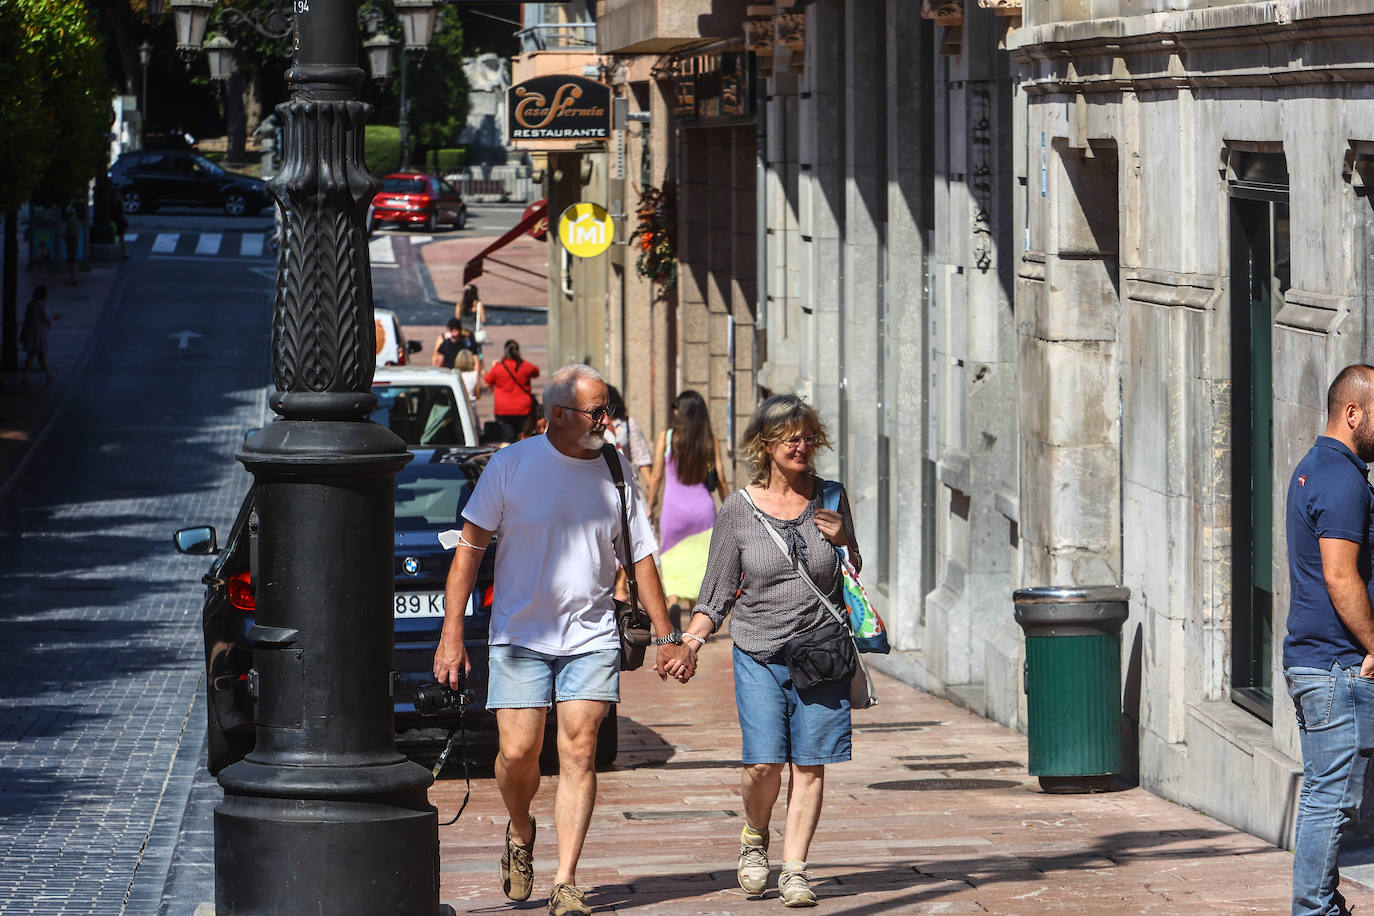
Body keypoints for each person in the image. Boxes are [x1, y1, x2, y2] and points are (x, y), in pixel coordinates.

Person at [432, 364, 694, 916]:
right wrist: (451, 633)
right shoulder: (510, 465)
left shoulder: (616, 470)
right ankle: (521, 830)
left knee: (578, 750)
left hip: (592, 635)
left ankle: (567, 880)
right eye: (597, 411)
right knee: (517, 754)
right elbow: (469, 552)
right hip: (520, 636)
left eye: (608, 409)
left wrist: (668, 633)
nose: (608, 420)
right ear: (556, 416)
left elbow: (641, 556)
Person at [680, 393, 859, 909]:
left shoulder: (831, 496)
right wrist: (689, 642)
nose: (800, 446)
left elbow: (854, 569)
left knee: (811, 763)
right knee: (765, 764)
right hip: (759, 650)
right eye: (788, 438)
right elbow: (715, 593)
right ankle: (755, 837)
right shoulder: (738, 509)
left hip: (822, 650)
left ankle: (796, 869)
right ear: (766, 445)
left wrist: (845, 539)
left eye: (806, 436)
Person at [1284, 363, 1374, 916]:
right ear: (1353, 412)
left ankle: (1321, 903)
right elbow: (1340, 576)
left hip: (1322, 665)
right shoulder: (1341, 481)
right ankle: (1313, 909)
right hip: (1334, 666)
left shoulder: (1316, 469)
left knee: (1332, 795)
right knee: (1331, 800)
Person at [647, 390, 730, 624]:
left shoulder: (667, 437)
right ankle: (697, 618)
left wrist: (650, 505)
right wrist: (732, 507)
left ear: (680, 412)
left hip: (673, 513)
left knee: (673, 563)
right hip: (703, 513)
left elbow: (656, 477)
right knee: (700, 568)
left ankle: (673, 602)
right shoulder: (708, 440)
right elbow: (721, 480)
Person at [485, 339, 540, 442]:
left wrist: (494, 366)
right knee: (523, 437)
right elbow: (536, 372)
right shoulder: (525, 366)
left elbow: (487, 380)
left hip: (503, 409)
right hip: (523, 408)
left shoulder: (498, 368)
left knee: (508, 438)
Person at [603, 385, 652, 487]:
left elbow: (641, 457)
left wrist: (651, 487)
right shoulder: (593, 426)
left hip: (627, 484)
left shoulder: (628, 424)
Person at [20, 285, 58, 387]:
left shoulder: (30, 304)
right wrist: (54, 319)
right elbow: (46, 319)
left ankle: (47, 374)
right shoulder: (41, 305)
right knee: (34, 355)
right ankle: (25, 376)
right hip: (39, 334)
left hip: (31, 332)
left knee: (38, 355)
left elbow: (27, 319)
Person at [456, 283, 487, 354]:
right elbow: (483, 319)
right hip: (474, 334)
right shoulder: (478, 304)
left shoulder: (459, 305)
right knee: (478, 355)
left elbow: (457, 318)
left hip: (462, 333)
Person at [456, 348, 483, 425]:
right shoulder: (474, 375)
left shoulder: (455, 375)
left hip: (458, 407)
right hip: (471, 406)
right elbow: (478, 395)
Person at [62, 208, 81, 285]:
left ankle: (73, 278)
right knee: (72, 261)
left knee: (73, 261)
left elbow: (74, 234)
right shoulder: (74, 221)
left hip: (72, 244)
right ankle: (73, 278)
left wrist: (65, 235)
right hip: (71, 244)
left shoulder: (72, 222)